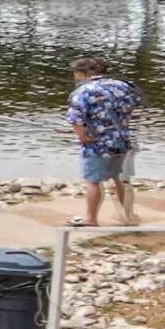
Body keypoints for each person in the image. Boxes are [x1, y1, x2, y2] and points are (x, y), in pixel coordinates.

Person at [66, 57, 140, 225]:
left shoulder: (83, 91)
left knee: (93, 182)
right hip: (121, 141)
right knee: (117, 178)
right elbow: (134, 109)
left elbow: (75, 118)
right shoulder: (122, 86)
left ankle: (91, 219)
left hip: (97, 143)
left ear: (82, 73)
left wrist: (83, 137)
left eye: (76, 74)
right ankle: (125, 216)